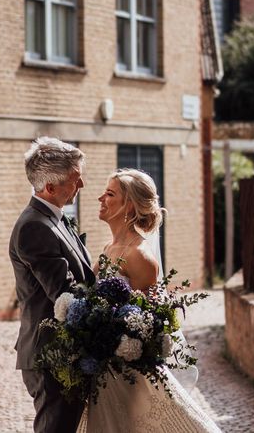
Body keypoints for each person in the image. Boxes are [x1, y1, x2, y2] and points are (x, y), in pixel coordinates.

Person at [79, 169, 222, 433]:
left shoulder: (140, 256)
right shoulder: (109, 249)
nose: (100, 197)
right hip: (104, 367)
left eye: (109, 194)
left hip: (127, 371)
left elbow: (143, 322)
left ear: (130, 205)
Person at [10, 137, 95, 433]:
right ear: (50, 187)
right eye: (75, 178)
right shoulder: (35, 226)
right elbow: (65, 293)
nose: (81, 184)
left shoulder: (55, 218)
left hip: (65, 351)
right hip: (50, 354)